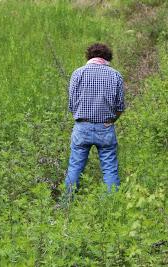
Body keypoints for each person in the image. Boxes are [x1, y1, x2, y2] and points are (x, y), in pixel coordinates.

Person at [65, 43, 125, 193]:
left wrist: (82, 118)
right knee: (110, 169)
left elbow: (71, 104)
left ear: (89, 56)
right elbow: (120, 107)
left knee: (75, 168)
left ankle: (66, 205)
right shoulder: (115, 75)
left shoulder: (78, 73)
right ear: (107, 57)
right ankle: (112, 206)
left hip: (82, 126)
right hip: (105, 127)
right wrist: (111, 120)